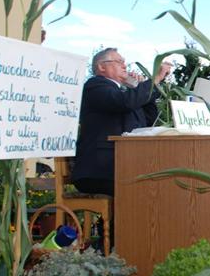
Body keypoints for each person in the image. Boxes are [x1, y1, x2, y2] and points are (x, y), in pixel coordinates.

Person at [72, 48, 172, 196]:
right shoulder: (95, 86)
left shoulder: (124, 94)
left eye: (124, 62)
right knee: (147, 188)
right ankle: (123, 220)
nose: (124, 66)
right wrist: (155, 79)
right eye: (119, 62)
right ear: (101, 67)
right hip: (98, 171)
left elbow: (148, 120)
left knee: (160, 183)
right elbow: (124, 103)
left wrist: (139, 86)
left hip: (122, 165)